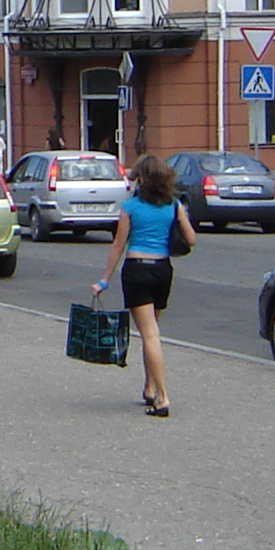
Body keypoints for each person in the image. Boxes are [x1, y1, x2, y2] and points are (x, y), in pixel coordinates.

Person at [97, 153, 196, 418]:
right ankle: (149, 387)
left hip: (137, 269)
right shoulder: (173, 205)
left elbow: (118, 244)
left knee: (149, 334)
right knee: (150, 330)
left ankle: (162, 397)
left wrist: (104, 279)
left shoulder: (130, 208)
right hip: (163, 270)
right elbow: (191, 239)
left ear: (142, 180)